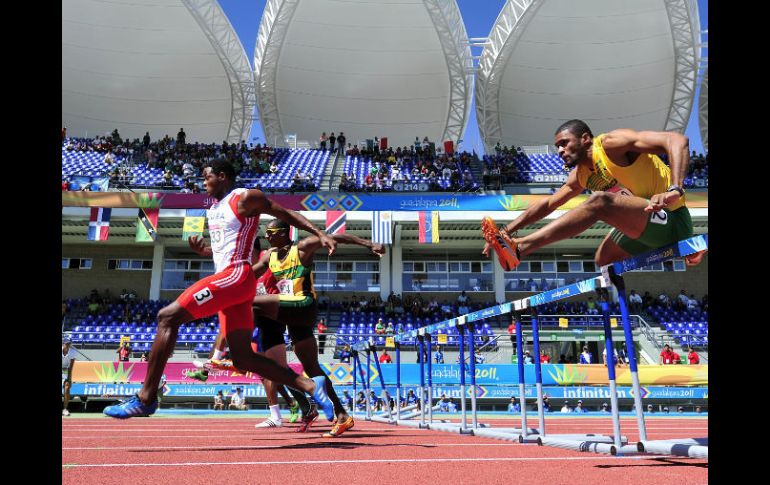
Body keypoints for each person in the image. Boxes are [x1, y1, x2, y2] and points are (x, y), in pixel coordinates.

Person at [104, 160, 338, 419]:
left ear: (223, 176)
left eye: (207, 177)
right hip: (231, 280)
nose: (203, 182)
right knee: (243, 359)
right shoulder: (214, 209)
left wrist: (319, 232)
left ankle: (146, 398)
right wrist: (204, 252)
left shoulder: (245, 197)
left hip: (237, 275)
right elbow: (226, 249)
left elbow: (283, 213)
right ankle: (310, 386)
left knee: (167, 317)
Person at [482, 120, 702, 271]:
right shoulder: (580, 176)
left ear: (585, 138)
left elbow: (677, 140)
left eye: (564, 143)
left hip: (672, 218)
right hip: (645, 222)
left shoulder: (611, 145)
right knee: (604, 260)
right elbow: (548, 204)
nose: (559, 151)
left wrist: (675, 189)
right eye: (557, 146)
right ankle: (621, 313)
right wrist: (505, 231)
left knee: (599, 201)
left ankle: (521, 248)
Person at [250, 219, 386, 437]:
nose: (268, 237)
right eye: (267, 233)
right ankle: (342, 416)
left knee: (253, 302)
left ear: (285, 233)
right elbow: (247, 277)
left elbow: (335, 236)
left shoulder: (302, 247)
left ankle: (235, 351)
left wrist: (368, 244)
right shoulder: (269, 257)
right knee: (313, 368)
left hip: (304, 306)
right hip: (291, 316)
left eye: (273, 232)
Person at [62, 337, 77, 416]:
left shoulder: (72, 352)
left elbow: (71, 366)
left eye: (69, 344)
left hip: (66, 370)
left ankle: (65, 409)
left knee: (67, 387)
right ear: (63, 344)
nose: (68, 345)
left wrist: (69, 378)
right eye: (66, 344)